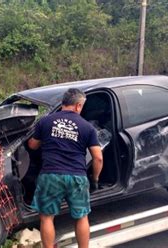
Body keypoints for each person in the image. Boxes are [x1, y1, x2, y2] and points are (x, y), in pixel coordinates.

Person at [28, 88, 103, 248]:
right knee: (81, 217)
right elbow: (98, 157)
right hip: (77, 176)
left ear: (63, 103)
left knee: (47, 218)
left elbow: (33, 145)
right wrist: (95, 179)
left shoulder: (45, 121)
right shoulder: (87, 127)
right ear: (77, 106)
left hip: (50, 175)